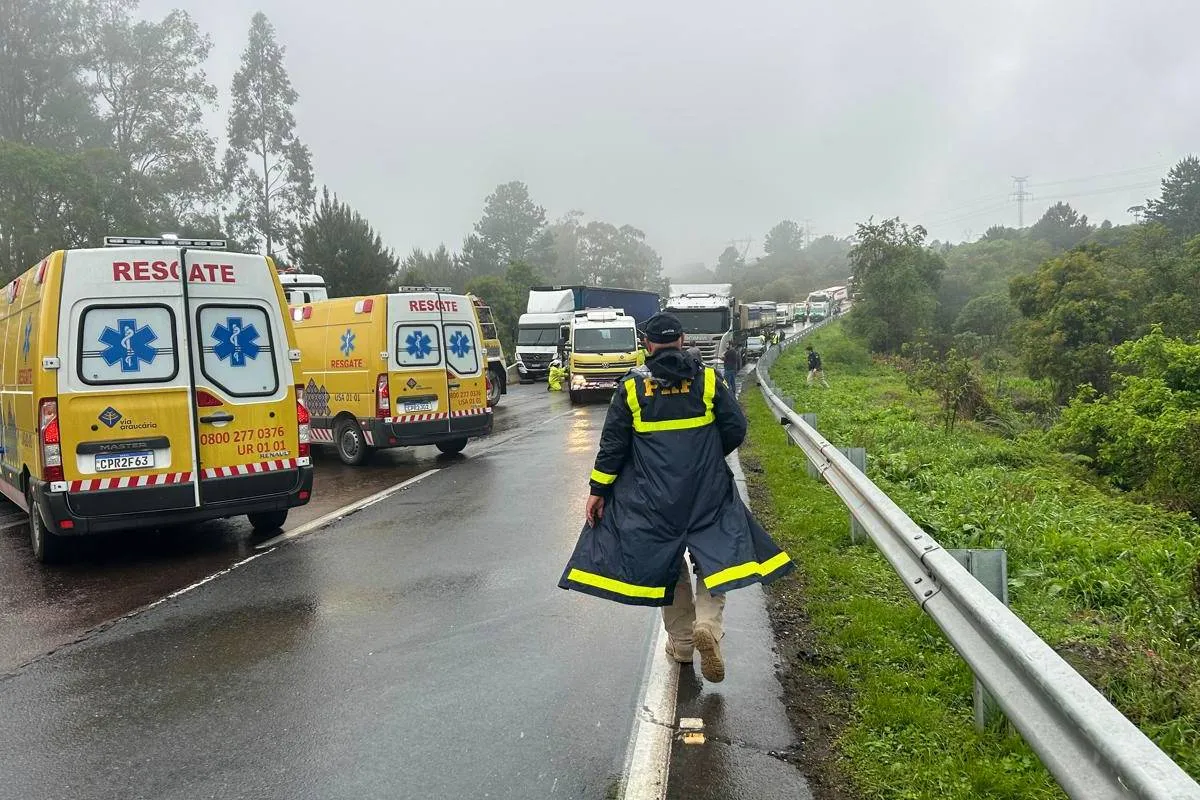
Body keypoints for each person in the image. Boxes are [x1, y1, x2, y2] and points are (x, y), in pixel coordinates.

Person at [559, 312, 793, 683]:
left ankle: (683, 644)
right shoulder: (708, 380)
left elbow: (612, 448)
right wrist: (709, 457)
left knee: (668, 561)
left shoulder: (632, 389)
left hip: (653, 498)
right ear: (682, 340)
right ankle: (708, 626)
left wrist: (597, 491)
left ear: (647, 345)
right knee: (715, 555)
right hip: (707, 492)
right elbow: (736, 428)